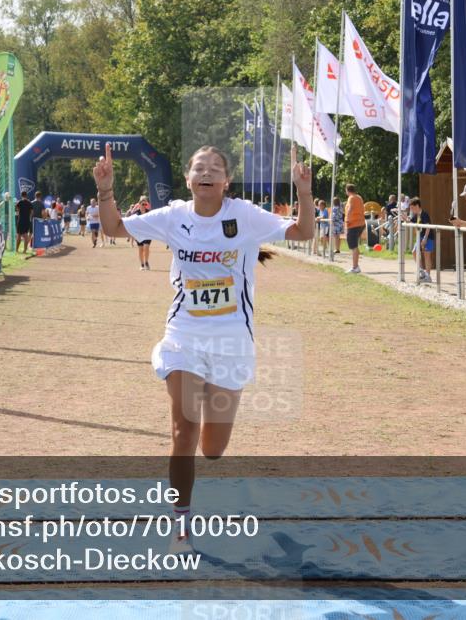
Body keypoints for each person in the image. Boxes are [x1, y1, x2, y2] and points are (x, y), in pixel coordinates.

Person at [92, 141, 314, 553]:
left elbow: (303, 232)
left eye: (215, 167)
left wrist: (303, 192)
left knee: (212, 450)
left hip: (231, 343)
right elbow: (114, 228)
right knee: (184, 430)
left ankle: (209, 445)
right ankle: (181, 525)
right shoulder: (174, 216)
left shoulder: (243, 215)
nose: (206, 172)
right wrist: (105, 190)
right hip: (184, 337)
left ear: (226, 181)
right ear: (188, 179)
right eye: (199, 167)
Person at [409, 197, 435, 283]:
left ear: (417, 206)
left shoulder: (424, 214)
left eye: (412, 208)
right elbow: (410, 222)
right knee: (414, 252)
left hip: (428, 237)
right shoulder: (416, 215)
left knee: (427, 255)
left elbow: (428, 227)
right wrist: (404, 218)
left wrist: (425, 238)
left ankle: (428, 276)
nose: (411, 210)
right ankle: (421, 271)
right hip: (420, 237)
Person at [127, 196, 153, 270]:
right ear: (139, 204)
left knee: (146, 247)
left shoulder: (149, 212)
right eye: (142, 204)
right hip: (138, 234)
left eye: (145, 204)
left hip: (147, 233)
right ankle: (142, 264)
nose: (144, 206)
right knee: (141, 249)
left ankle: (146, 262)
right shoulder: (136, 213)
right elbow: (132, 224)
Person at [344, 184, 365, 273]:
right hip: (361, 223)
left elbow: (350, 208)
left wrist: (347, 220)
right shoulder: (359, 197)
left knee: (353, 246)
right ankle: (356, 265)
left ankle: (355, 267)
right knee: (354, 245)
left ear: (347, 190)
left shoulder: (351, 198)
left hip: (353, 224)